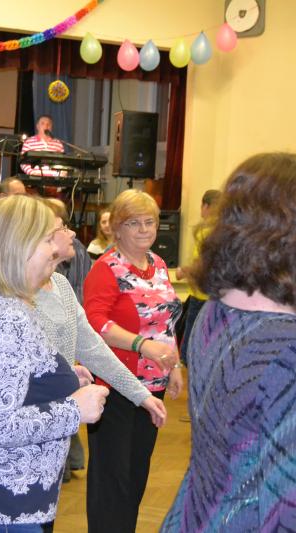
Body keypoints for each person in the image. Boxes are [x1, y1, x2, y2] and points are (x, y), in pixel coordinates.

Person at [160, 153, 296, 532]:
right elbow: (288, 517)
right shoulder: (295, 348)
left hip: (195, 516)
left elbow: (239, 436)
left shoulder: (215, 312)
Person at [0, 195, 109, 532]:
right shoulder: (6, 318)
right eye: (47, 240)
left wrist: (57, 377)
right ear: (17, 248)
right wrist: (74, 409)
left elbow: (2, 380)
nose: (55, 250)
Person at [36, 208, 167, 487]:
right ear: (35, 239)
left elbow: (92, 347)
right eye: (62, 228)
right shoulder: (9, 298)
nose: (72, 233)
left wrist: (141, 395)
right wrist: (66, 379)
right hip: (23, 442)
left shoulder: (60, 284)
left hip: (52, 438)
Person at [83, 189, 183, 533]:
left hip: (152, 386)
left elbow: (167, 321)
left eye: (149, 222)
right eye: (134, 223)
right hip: (115, 385)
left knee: (137, 473)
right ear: (117, 228)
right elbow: (94, 323)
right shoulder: (106, 268)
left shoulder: (159, 264)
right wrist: (142, 345)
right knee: (112, 479)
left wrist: (174, 365)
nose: (144, 230)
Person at [174, 189, 220, 365]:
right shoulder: (223, 232)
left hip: (201, 294)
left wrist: (183, 271)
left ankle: (187, 368)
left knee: (191, 338)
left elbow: (201, 264)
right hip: (217, 295)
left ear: (205, 206)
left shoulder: (204, 232)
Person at [43, 198, 91, 304]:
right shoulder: (31, 284)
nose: (73, 233)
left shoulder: (60, 281)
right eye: (61, 228)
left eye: (65, 225)